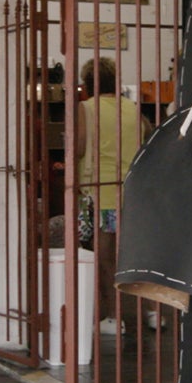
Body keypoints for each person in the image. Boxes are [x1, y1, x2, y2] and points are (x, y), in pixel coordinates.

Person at [76, 57, 150, 336]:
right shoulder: (133, 109)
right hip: (133, 193)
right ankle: (149, 312)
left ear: (87, 85)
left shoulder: (86, 108)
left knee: (104, 256)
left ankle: (112, 316)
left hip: (100, 192)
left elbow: (80, 145)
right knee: (135, 255)